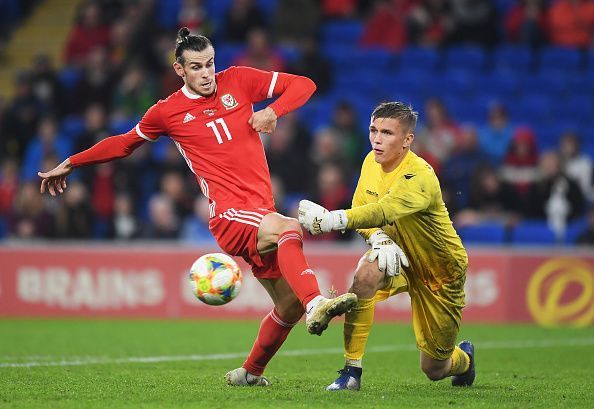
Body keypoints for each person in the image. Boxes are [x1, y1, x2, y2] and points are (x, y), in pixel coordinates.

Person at [38, 28, 357, 386]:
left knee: (288, 306)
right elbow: (125, 143)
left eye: (209, 64)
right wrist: (73, 161)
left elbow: (305, 85)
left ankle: (250, 373)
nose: (206, 73)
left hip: (258, 211)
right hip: (229, 215)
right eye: (196, 67)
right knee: (289, 228)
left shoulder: (238, 80)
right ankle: (317, 303)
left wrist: (273, 110)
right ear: (180, 70)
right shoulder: (168, 112)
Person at [298, 102, 475, 391]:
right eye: (373, 130)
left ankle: (464, 360)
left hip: (439, 270)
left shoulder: (420, 175)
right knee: (365, 275)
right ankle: (351, 372)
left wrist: (332, 219)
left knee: (433, 368)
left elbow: (384, 210)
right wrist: (378, 238)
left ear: (407, 140)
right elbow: (361, 210)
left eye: (387, 133)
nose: (377, 139)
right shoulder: (370, 161)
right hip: (398, 253)